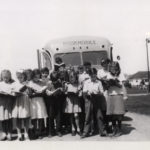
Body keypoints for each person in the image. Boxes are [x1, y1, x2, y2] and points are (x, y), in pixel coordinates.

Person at [81, 68, 107, 138]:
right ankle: (85, 132)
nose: (93, 77)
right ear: (89, 75)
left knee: (99, 116)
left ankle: (102, 131)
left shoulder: (99, 82)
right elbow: (84, 92)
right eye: (92, 76)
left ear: (96, 75)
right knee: (88, 116)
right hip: (89, 100)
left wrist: (98, 93)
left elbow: (102, 92)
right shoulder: (86, 82)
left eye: (94, 75)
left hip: (97, 99)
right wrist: (88, 93)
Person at [106, 61, 126, 137]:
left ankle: (119, 129)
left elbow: (122, 86)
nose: (113, 69)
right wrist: (108, 84)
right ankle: (114, 129)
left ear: (118, 67)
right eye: (111, 67)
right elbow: (106, 86)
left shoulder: (120, 74)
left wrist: (116, 83)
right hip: (111, 95)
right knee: (112, 114)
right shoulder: (108, 74)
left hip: (118, 95)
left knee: (119, 114)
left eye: (115, 67)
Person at [28, 69, 48, 139]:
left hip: (40, 101)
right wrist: (35, 93)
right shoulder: (30, 83)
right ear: (32, 76)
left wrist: (41, 92)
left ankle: (40, 132)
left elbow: (44, 93)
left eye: (38, 76)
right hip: (33, 102)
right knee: (34, 117)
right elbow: (30, 95)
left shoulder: (42, 82)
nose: (36, 78)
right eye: (35, 77)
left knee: (40, 116)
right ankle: (34, 132)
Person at [12, 70, 30, 141]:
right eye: (18, 77)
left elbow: (30, 92)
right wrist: (15, 93)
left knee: (26, 118)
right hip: (17, 101)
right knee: (18, 118)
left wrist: (28, 89)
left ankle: (26, 134)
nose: (20, 78)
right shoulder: (15, 84)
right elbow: (12, 92)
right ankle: (19, 135)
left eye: (21, 76)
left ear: (24, 76)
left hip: (25, 101)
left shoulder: (27, 83)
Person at [64, 70, 82, 136]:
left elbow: (80, 94)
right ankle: (73, 128)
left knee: (76, 115)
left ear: (75, 77)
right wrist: (67, 92)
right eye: (70, 77)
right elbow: (65, 92)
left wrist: (78, 93)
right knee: (71, 115)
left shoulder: (78, 84)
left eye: (73, 77)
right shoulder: (67, 84)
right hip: (69, 101)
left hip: (76, 100)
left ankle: (78, 128)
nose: (72, 78)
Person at [0, 70, 15, 140]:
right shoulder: (0, 84)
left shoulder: (12, 84)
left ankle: (9, 133)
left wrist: (11, 93)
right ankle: (3, 133)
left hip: (9, 103)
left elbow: (14, 93)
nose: (6, 79)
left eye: (7, 77)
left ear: (10, 77)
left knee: (9, 118)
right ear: (2, 77)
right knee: (2, 119)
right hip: (1, 103)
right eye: (4, 77)